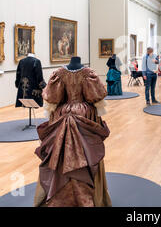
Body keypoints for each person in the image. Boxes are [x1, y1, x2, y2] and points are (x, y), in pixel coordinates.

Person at [34, 56, 111, 207]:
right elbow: (95, 97)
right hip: (84, 115)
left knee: (59, 153)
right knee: (87, 153)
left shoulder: (59, 74)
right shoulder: (88, 73)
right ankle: (91, 197)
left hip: (62, 115)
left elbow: (52, 99)